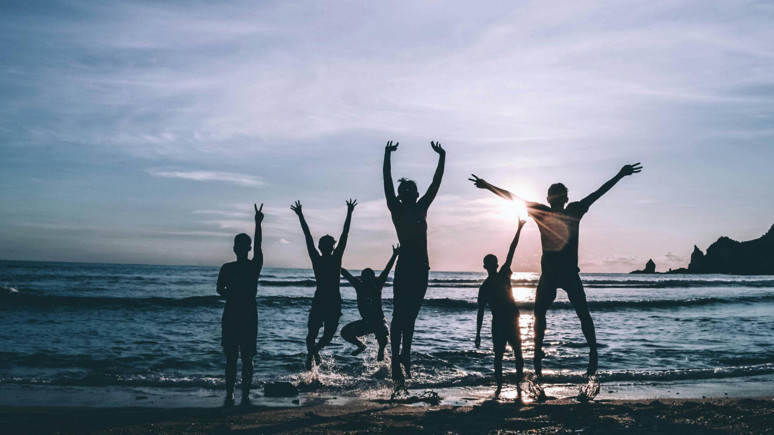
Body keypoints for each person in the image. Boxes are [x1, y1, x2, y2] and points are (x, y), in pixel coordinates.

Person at [470, 162, 642, 378]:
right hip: (553, 276)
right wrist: (488, 186)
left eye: (556, 197)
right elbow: (514, 197)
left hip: (565, 274)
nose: (556, 200)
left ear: (556, 199)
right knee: (549, 313)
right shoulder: (558, 211)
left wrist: (488, 186)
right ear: (556, 198)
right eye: (555, 197)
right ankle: (554, 353)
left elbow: (513, 196)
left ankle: (585, 352)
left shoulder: (563, 211)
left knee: (574, 313)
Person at [383, 140, 446, 384]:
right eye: (404, 191)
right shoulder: (396, 209)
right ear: (400, 195)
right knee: (399, 315)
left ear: (416, 194)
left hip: (422, 268)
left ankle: (405, 357)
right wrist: (387, 155)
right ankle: (395, 361)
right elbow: (387, 182)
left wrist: (442, 156)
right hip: (406, 267)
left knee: (411, 316)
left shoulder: (422, 207)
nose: (408, 193)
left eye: (412, 191)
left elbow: (436, 183)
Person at [291, 199, 356, 370]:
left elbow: (310, 236)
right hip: (326, 299)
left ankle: (313, 352)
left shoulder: (330, 259)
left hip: (328, 300)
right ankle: (313, 353)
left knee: (322, 336)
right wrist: (349, 212)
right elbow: (343, 235)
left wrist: (300, 215)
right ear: (324, 247)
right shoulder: (324, 259)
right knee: (315, 334)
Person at [216, 203, 264, 407]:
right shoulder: (252, 266)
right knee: (245, 356)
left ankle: (232, 394)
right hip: (245, 314)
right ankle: (242, 394)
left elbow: (220, 290)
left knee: (234, 356)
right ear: (247, 248)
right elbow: (260, 245)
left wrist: (257, 223)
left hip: (234, 313)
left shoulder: (230, 268)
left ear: (235, 248)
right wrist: (258, 223)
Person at [475, 218, 527, 399]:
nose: (493, 265)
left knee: (518, 354)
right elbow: (480, 311)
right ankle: (499, 388)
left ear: (497, 265)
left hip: (512, 320)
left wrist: (519, 228)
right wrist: (478, 334)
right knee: (498, 357)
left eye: (494, 262)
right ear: (485, 267)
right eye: (490, 263)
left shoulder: (505, 273)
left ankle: (519, 385)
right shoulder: (485, 287)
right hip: (498, 323)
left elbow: (512, 250)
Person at [340, 244, 400, 361]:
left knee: (383, 337)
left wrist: (394, 255)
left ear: (373, 278)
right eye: (364, 277)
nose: (366, 279)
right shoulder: (359, 286)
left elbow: (387, 270)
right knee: (345, 333)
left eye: (369, 277)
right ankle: (361, 345)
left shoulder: (377, 285)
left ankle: (381, 350)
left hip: (379, 321)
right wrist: (334, 261)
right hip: (366, 322)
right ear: (362, 278)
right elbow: (345, 274)